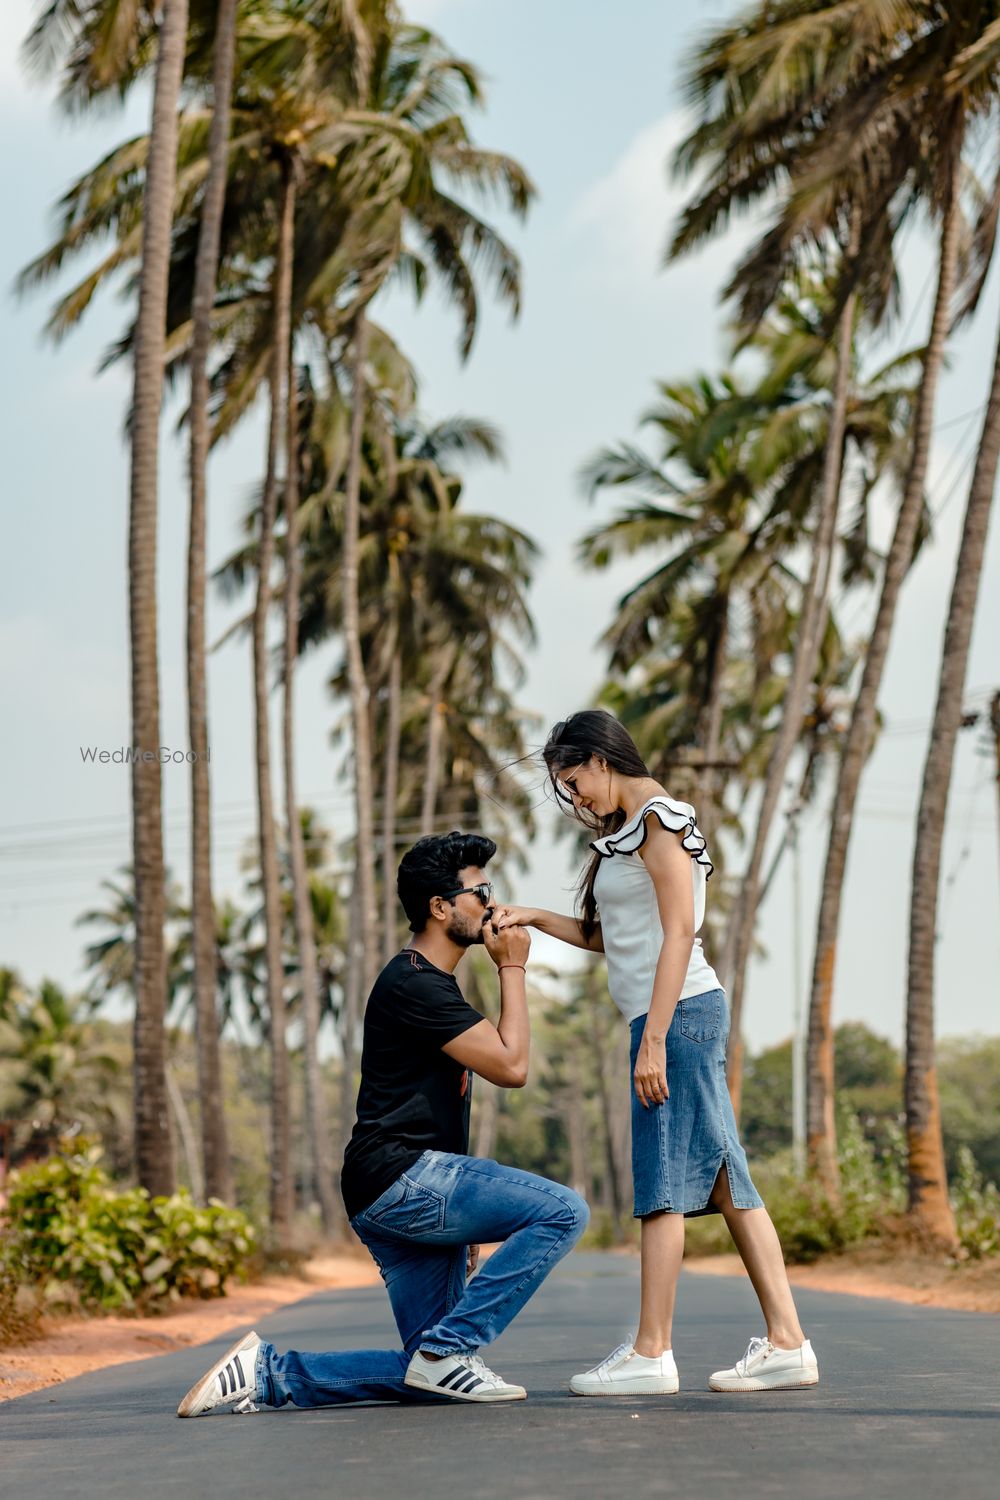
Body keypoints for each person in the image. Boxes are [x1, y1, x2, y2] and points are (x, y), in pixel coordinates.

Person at [177, 830, 589, 1418]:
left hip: (397, 1185)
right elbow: (513, 1066)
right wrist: (514, 968)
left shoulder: (431, 984)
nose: (495, 907)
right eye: (481, 892)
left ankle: (267, 1374)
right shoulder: (414, 982)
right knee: (562, 1211)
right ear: (440, 907)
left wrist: (463, 1223)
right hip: (400, 1177)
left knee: (425, 1375)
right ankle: (451, 1351)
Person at [493, 710, 818, 1396]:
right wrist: (532, 916)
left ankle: (652, 1352)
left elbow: (678, 935)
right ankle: (787, 1341)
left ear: (603, 759)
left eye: (575, 780)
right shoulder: (637, 831)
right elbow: (616, 937)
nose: (576, 797)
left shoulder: (663, 820)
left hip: (678, 1017)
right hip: (678, 1015)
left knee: (663, 1183)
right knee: (728, 1183)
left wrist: (655, 1041)